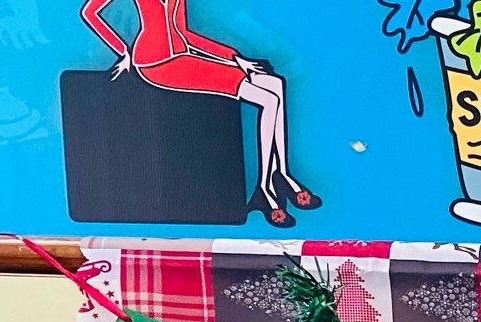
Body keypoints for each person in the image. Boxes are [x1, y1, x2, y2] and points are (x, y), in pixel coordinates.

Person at [79, 0, 319, 228]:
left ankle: (281, 172)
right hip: (154, 65)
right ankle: (265, 186)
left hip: (183, 57)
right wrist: (124, 52)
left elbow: (184, 34)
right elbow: (90, 13)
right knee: (267, 99)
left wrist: (235, 58)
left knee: (274, 84)